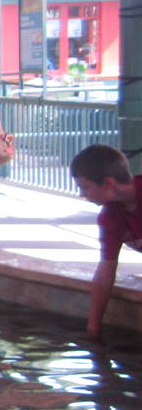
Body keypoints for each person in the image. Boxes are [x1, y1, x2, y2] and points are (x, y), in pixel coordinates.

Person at [70, 144, 142, 337]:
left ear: (108, 183)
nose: (82, 195)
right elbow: (106, 271)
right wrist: (93, 331)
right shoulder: (111, 215)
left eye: (85, 187)